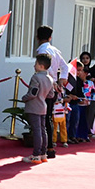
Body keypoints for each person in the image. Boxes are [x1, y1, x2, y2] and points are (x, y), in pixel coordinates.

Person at [35, 26, 67, 158]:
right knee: (47, 117)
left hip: (45, 85)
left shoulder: (42, 51)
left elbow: (43, 69)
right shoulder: (55, 50)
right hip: (52, 85)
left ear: (37, 37)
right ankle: (49, 146)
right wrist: (61, 80)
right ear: (50, 37)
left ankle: (46, 147)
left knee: (43, 118)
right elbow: (65, 67)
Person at [22, 54, 53, 163]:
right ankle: (43, 154)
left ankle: (35, 155)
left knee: (37, 131)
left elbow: (33, 93)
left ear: (40, 66)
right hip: (43, 106)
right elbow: (51, 95)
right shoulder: (50, 78)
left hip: (34, 106)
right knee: (42, 130)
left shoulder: (35, 77)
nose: (34, 66)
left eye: (35, 64)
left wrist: (24, 98)